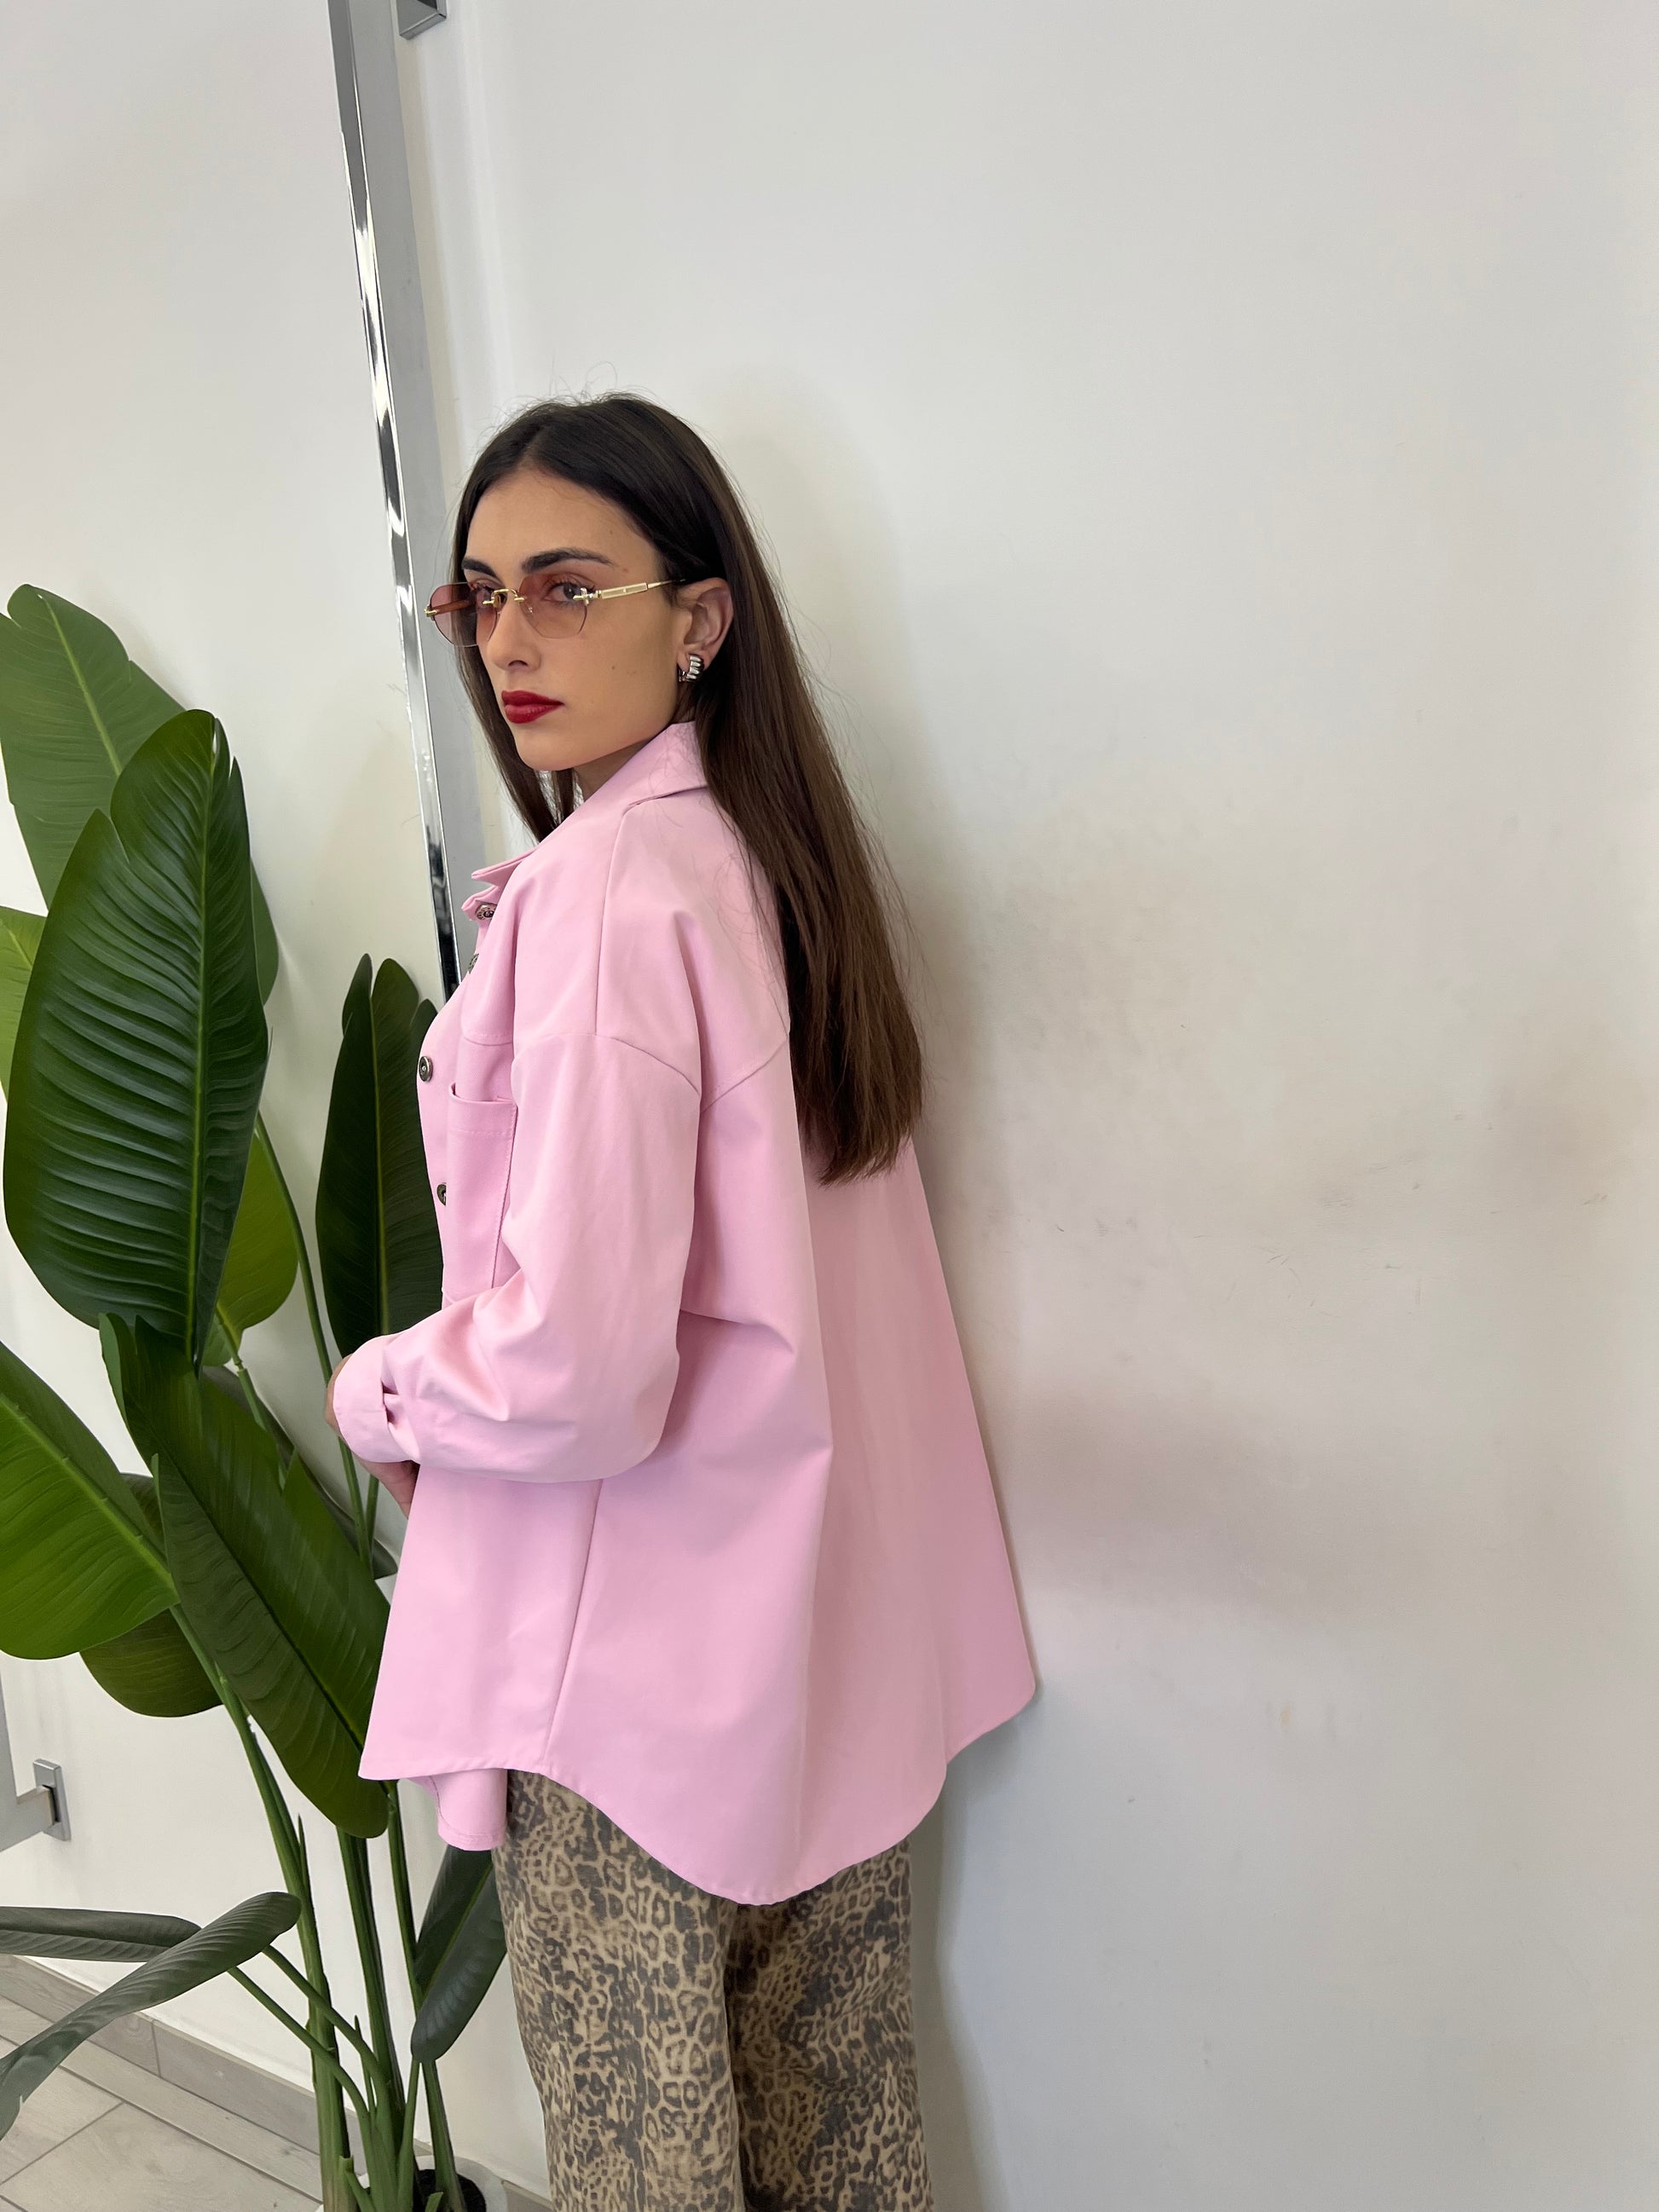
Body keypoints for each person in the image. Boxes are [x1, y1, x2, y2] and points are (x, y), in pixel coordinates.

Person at [324, 391, 1034, 2212]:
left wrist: (380, 1389)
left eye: (568, 588)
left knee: (650, 2175)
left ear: (699, 616)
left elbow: (574, 1372)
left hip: (630, 1686)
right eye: (477, 595)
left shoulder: (607, 897)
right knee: (842, 2139)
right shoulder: (774, 862)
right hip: (826, 1650)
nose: (510, 640)